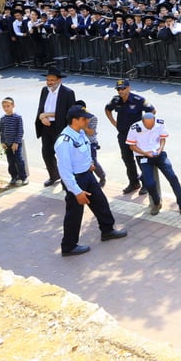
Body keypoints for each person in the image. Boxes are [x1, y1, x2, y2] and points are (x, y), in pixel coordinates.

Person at [55, 105, 127, 256]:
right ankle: (69, 246)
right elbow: (65, 170)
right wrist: (76, 191)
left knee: (101, 202)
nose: (87, 120)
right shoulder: (64, 141)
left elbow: (84, 152)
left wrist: (89, 164)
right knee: (74, 214)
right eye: (84, 118)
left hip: (87, 175)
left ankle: (107, 231)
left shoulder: (79, 133)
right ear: (75, 120)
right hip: (76, 180)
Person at [126, 106, 181, 218]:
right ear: (143, 122)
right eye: (147, 125)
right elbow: (131, 146)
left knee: (173, 178)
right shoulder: (134, 128)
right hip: (144, 156)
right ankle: (156, 202)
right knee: (150, 183)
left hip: (159, 154)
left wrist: (160, 149)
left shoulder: (160, 123)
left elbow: (162, 138)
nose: (150, 127)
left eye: (152, 124)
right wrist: (145, 153)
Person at [105, 79, 148, 194]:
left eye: (123, 88)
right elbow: (107, 110)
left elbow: (152, 111)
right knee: (127, 159)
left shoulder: (138, 100)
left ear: (129, 88)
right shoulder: (116, 100)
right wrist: (115, 123)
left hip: (137, 136)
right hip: (123, 135)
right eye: (119, 89)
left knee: (141, 159)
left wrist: (145, 126)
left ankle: (146, 183)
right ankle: (134, 183)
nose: (121, 91)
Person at [35, 69, 75, 187]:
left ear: (59, 80)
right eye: (48, 80)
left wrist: (47, 115)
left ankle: (65, 180)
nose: (49, 82)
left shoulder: (68, 92)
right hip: (46, 127)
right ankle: (54, 175)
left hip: (60, 127)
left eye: (52, 80)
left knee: (63, 155)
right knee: (47, 153)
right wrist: (42, 118)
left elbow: (70, 112)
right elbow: (41, 108)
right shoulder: (44, 91)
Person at [0, 96, 28, 186]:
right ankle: (14, 176)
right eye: (4, 106)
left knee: (19, 160)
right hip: (7, 144)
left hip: (16, 144)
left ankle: (23, 177)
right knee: (10, 161)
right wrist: (3, 142)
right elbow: (1, 131)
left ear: (13, 105)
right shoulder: (3, 118)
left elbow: (20, 131)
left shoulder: (17, 117)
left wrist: (16, 142)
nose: (6, 108)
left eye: (8, 106)